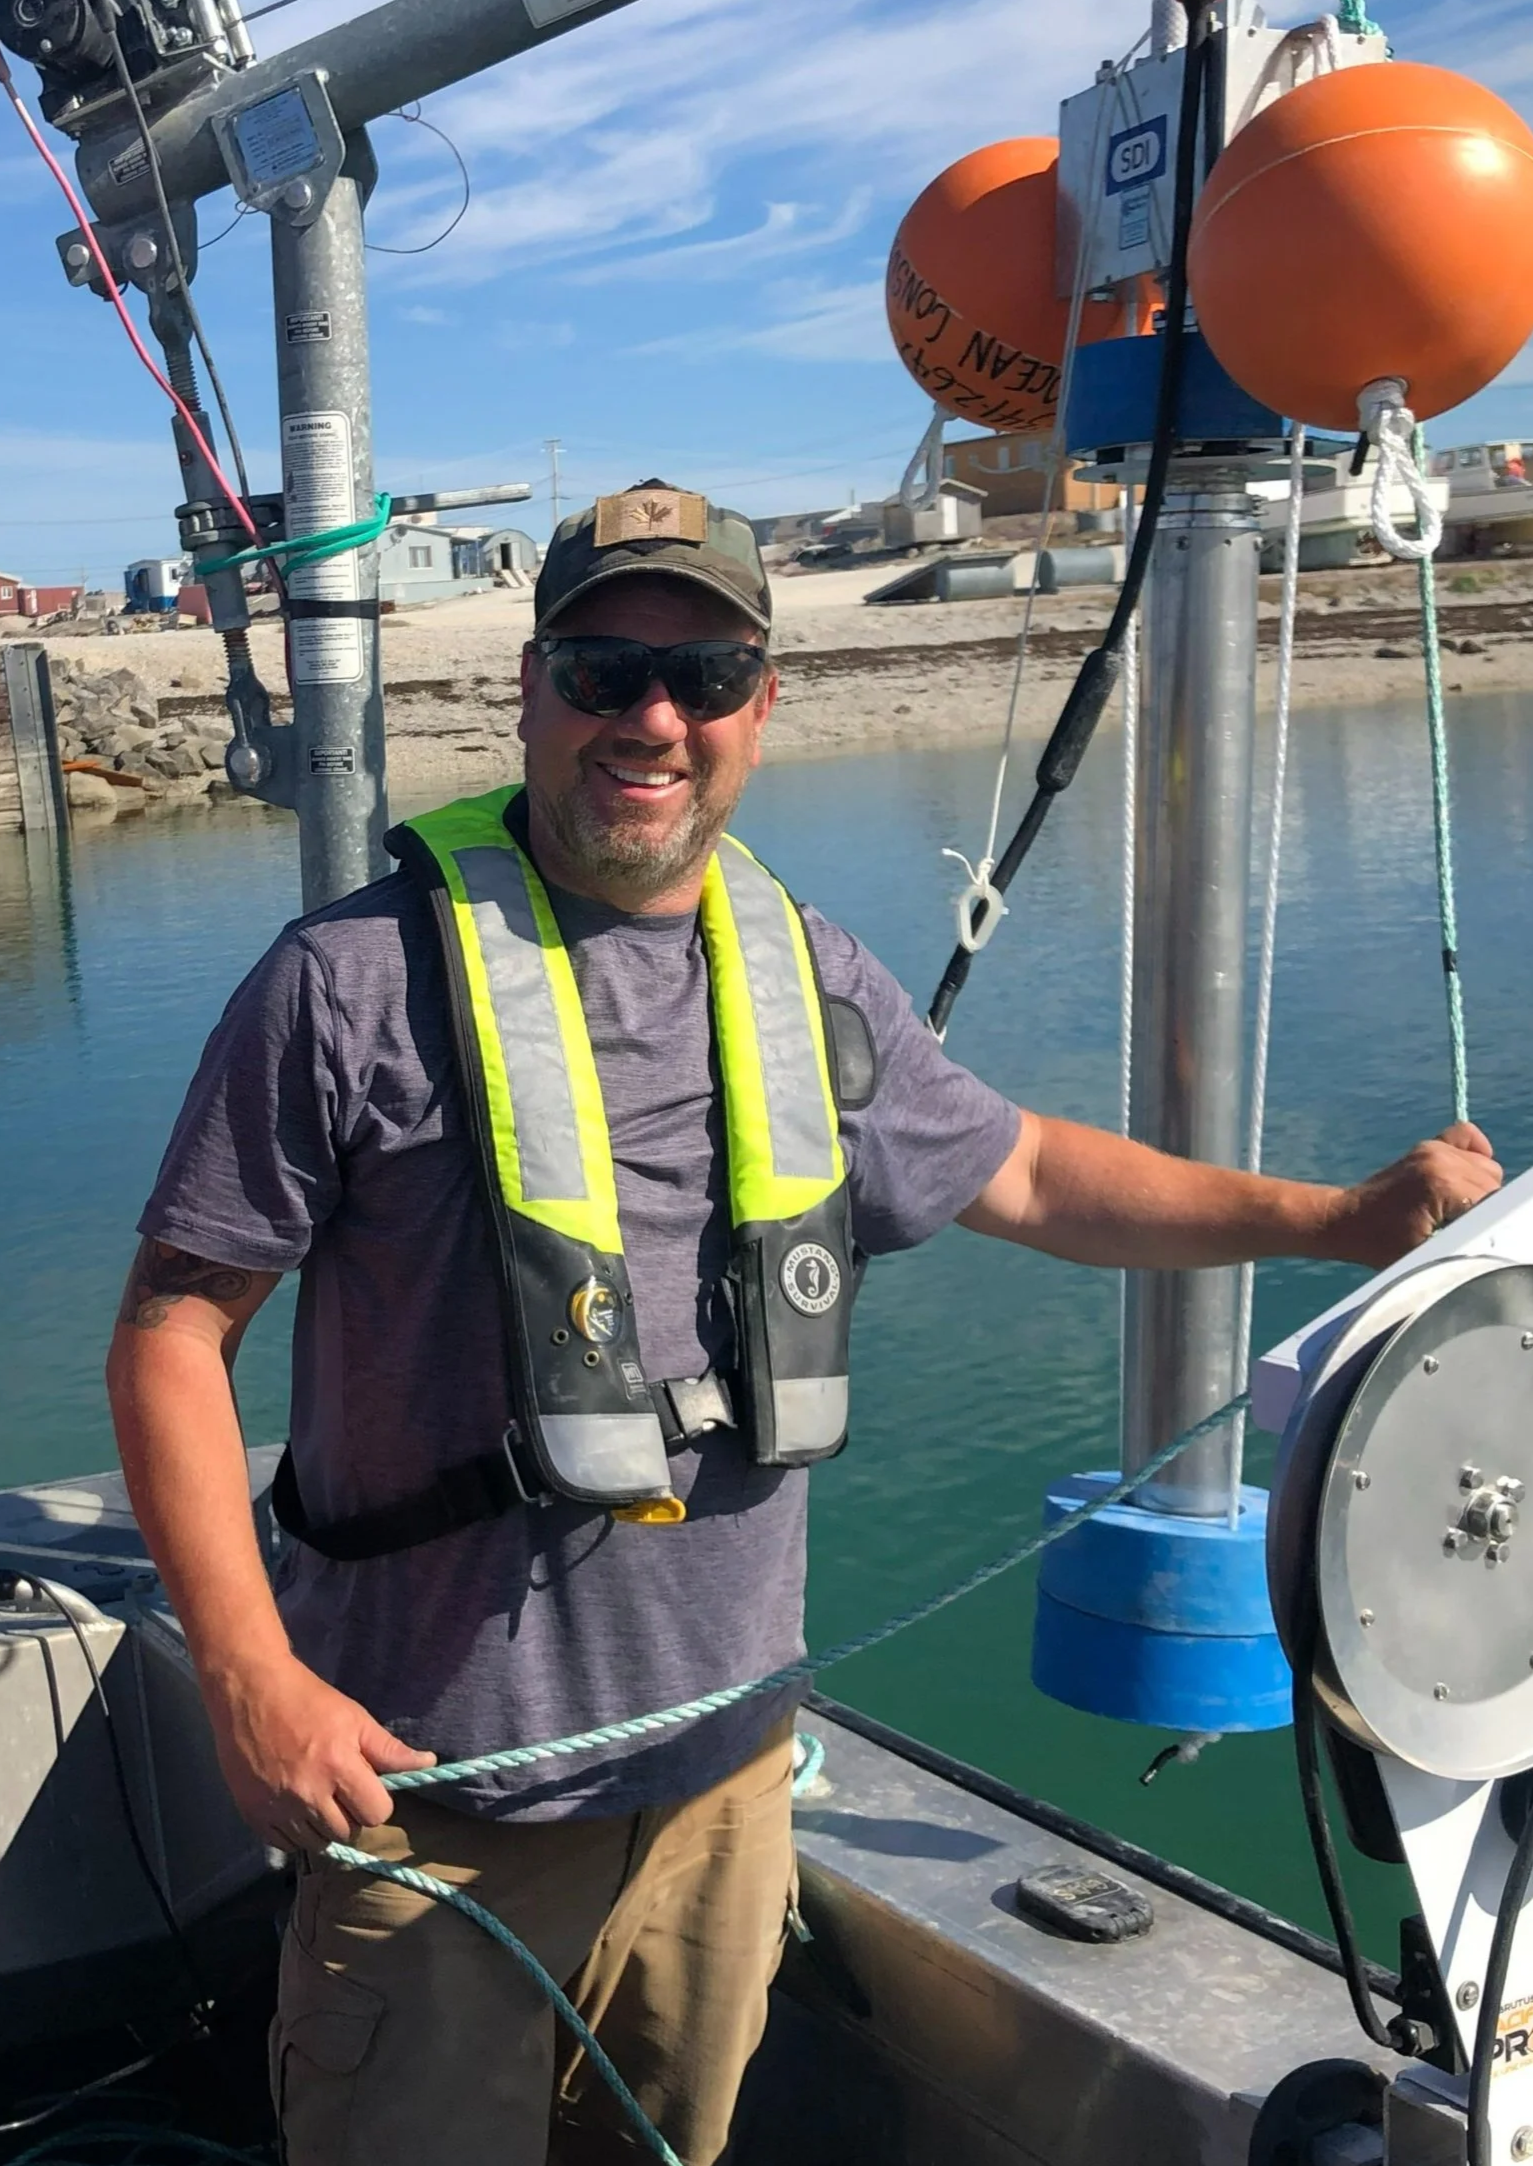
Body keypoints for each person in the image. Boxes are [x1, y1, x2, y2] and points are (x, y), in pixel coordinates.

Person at [107, 480, 1501, 2166]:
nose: (655, 717)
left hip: (723, 1796)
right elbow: (176, 1332)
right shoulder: (346, 983)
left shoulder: (807, 971)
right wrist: (252, 1678)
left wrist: (1341, 1221)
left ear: (763, 706)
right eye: (605, 667)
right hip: (435, 1818)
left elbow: (1039, 1176)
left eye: (703, 671)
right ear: (529, 691)